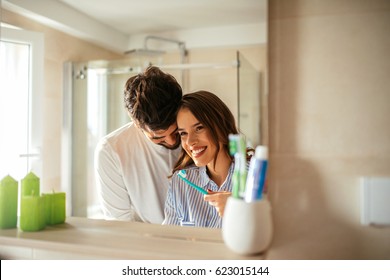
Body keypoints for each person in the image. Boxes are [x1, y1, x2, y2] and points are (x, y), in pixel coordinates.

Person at [94, 66, 182, 224]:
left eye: (176, 132)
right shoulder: (111, 150)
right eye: (158, 137)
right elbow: (120, 223)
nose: (171, 141)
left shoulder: (195, 135)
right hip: (146, 242)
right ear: (136, 124)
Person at [163, 90, 242, 228]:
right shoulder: (181, 182)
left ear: (220, 125)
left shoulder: (254, 178)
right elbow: (170, 241)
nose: (190, 141)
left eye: (199, 128)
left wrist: (241, 210)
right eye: (183, 133)